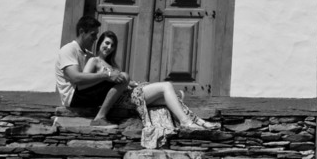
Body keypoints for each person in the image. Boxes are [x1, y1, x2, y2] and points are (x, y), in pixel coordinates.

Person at [81, 29, 218, 138]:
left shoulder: (112, 64)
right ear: (99, 43)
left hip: (130, 94)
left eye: (112, 45)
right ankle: (185, 122)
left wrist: (131, 83)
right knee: (166, 86)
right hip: (123, 99)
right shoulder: (94, 61)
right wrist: (106, 76)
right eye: (106, 43)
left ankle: (199, 122)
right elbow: (85, 80)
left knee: (169, 98)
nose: (109, 47)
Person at [55, 16, 127, 127]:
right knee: (123, 78)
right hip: (73, 97)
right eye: (93, 34)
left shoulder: (89, 54)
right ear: (82, 32)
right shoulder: (68, 49)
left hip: (84, 92)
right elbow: (76, 78)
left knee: (122, 79)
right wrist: (107, 75)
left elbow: (93, 78)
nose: (96, 38)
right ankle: (100, 117)